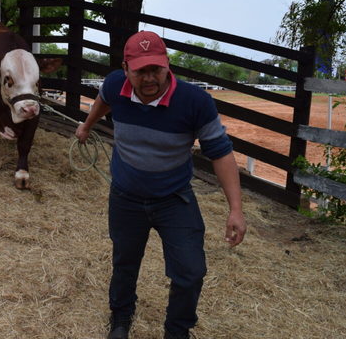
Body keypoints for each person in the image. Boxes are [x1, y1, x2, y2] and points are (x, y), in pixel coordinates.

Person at [75, 31, 246, 339]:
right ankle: (121, 318)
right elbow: (102, 100)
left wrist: (236, 209)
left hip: (174, 199)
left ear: (168, 65)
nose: (150, 77)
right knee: (125, 261)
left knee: (190, 272)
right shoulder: (115, 85)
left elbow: (220, 153)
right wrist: (86, 127)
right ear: (126, 69)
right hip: (126, 197)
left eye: (156, 68)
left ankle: (177, 331)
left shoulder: (195, 102)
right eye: (141, 70)